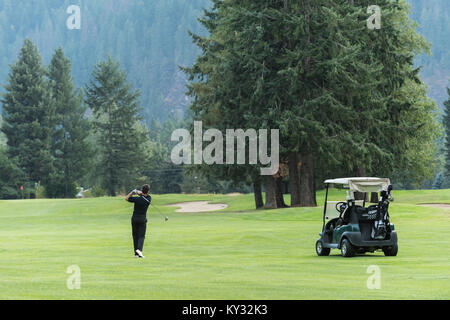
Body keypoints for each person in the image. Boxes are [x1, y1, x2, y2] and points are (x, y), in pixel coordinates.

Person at [125, 184, 151, 258]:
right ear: (148, 191)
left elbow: (126, 198)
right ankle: (139, 250)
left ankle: (136, 253)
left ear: (142, 190)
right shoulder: (149, 198)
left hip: (134, 219)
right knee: (141, 236)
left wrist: (133, 192)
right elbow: (143, 196)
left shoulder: (137, 199)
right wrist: (140, 193)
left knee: (135, 236)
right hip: (142, 219)